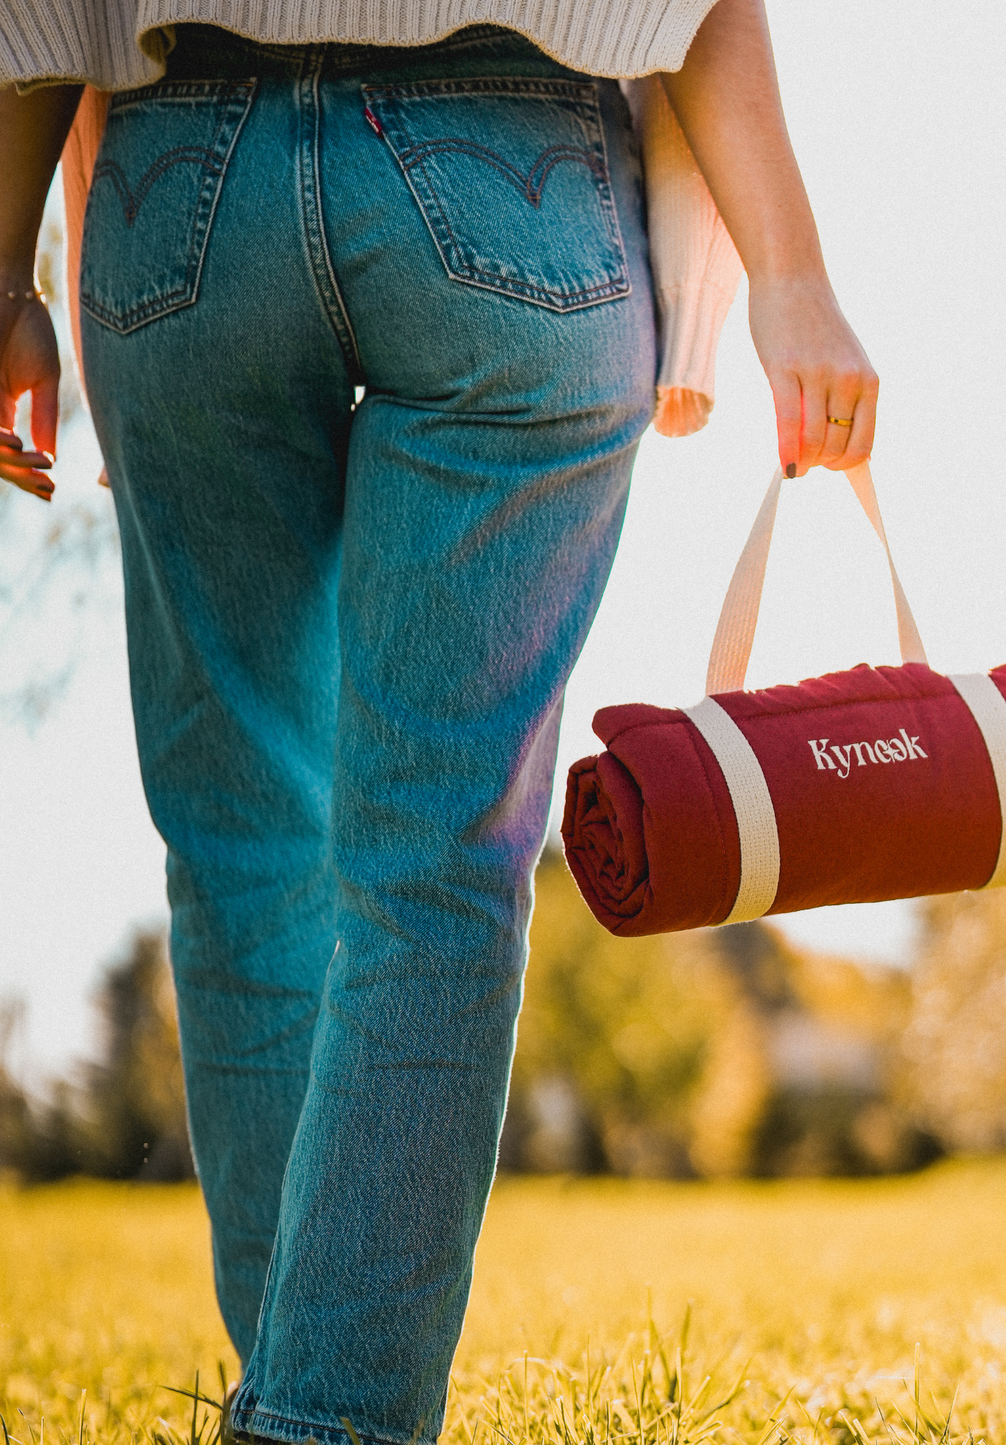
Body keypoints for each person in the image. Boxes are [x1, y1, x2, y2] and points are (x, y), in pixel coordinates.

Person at [0, 3, 877, 1442]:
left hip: (184, 191)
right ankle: (326, 1418)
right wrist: (790, 274)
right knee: (439, 861)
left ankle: (293, 1388)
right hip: (515, 185)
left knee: (240, 847)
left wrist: (1, 267)